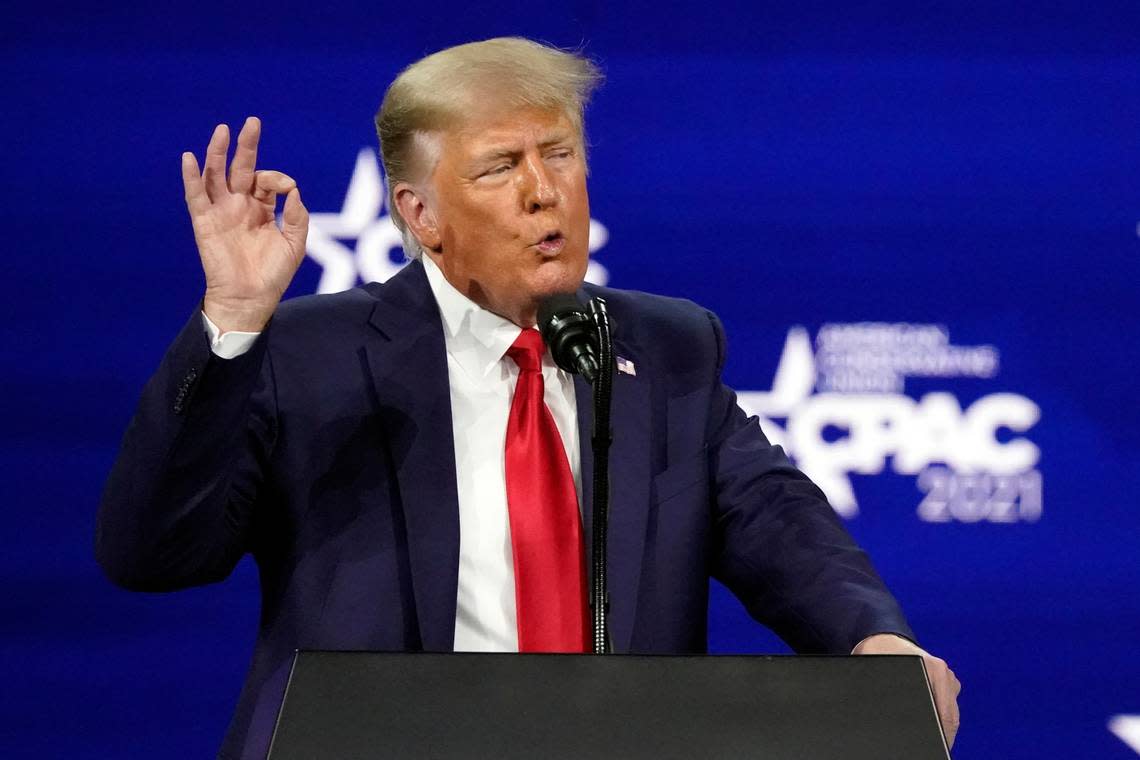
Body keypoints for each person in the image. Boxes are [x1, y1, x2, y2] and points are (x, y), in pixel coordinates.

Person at [97, 37, 961, 760]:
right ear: (419, 213)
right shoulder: (310, 354)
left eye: (559, 154)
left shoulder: (665, 348)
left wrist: (871, 638)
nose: (543, 191)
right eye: (500, 167)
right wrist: (236, 322)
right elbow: (154, 554)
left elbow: (776, 518)